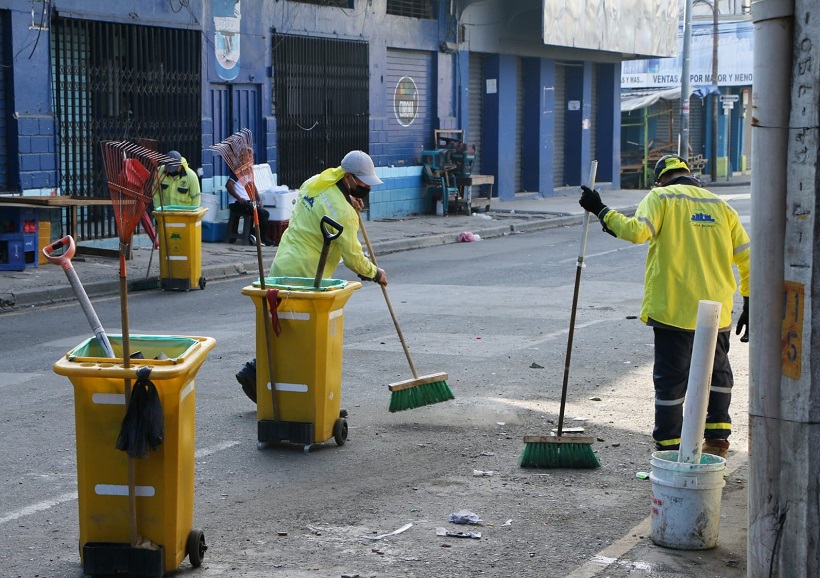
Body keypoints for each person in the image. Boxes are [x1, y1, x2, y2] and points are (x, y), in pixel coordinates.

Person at [578, 154, 750, 459]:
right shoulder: (720, 206)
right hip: (717, 310)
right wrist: (749, 300)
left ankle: (671, 444)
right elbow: (747, 256)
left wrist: (600, 209)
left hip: (674, 308)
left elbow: (636, 231)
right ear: (690, 175)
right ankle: (718, 437)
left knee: (672, 379)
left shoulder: (661, 197)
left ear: (661, 179)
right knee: (718, 372)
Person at [235, 150, 389, 402]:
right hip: (306, 276)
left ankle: (260, 374)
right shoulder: (343, 213)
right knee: (301, 336)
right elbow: (353, 257)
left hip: (282, 266)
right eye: (362, 183)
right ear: (348, 177)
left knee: (283, 330)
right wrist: (375, 272)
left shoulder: (315, 183)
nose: (365, 187)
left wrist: (348, 201)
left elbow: (323, 206)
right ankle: (263, 375)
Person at [226, 172, 275, 246]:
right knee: (260, 213)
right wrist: (239, 198)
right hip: (237, 203)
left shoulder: (249, 172)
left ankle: (252, 235)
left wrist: (259, 199)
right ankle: (262, 238)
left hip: (248, 202)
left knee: (265, 213)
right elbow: (228, 185)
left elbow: (253, 186)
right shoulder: (237, 172)